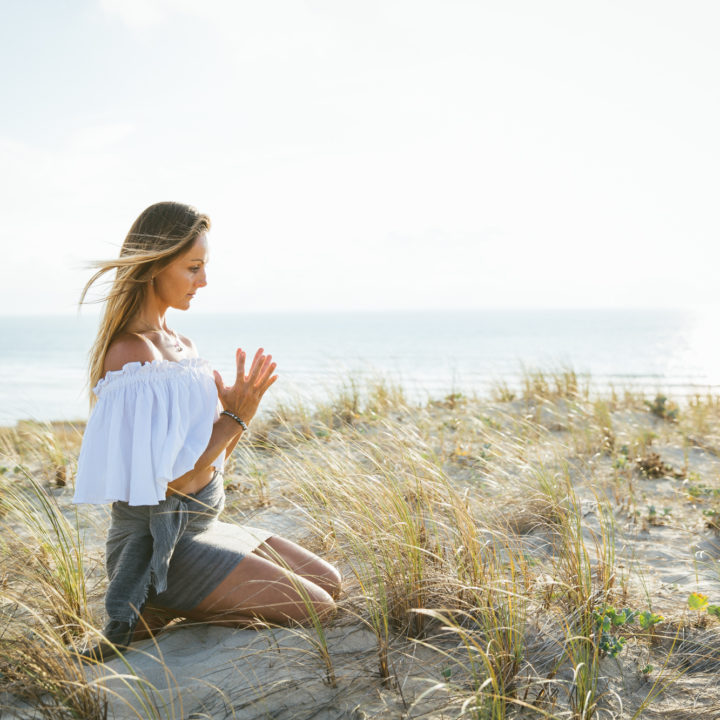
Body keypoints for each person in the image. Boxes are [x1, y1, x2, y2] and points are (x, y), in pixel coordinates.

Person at [74, 201, 341, 658]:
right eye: (193, 268)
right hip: (159, 545)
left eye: (204, 267)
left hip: (202, 525)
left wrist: (240, 415)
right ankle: (153, 600)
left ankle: (166, 608)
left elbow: (208, 465)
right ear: (155, 265)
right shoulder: (131, 354)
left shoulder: (184, 347)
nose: (203, 281)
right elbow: (171, 482)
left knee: (328, 582)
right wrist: (236, 417)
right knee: (313, 607)